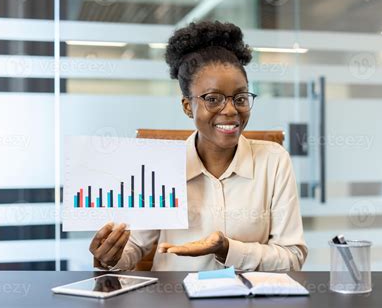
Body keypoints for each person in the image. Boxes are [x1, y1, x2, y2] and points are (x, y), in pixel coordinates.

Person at [89, 21, 307, 271]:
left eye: (240, 97)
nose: (230, 110)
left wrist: (227, 249)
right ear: (186, 106)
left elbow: (292, 258)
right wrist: (110, 257)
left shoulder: (274, 160)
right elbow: (135, 246)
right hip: (175, 298)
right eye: (212, 99)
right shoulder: (162, 166)